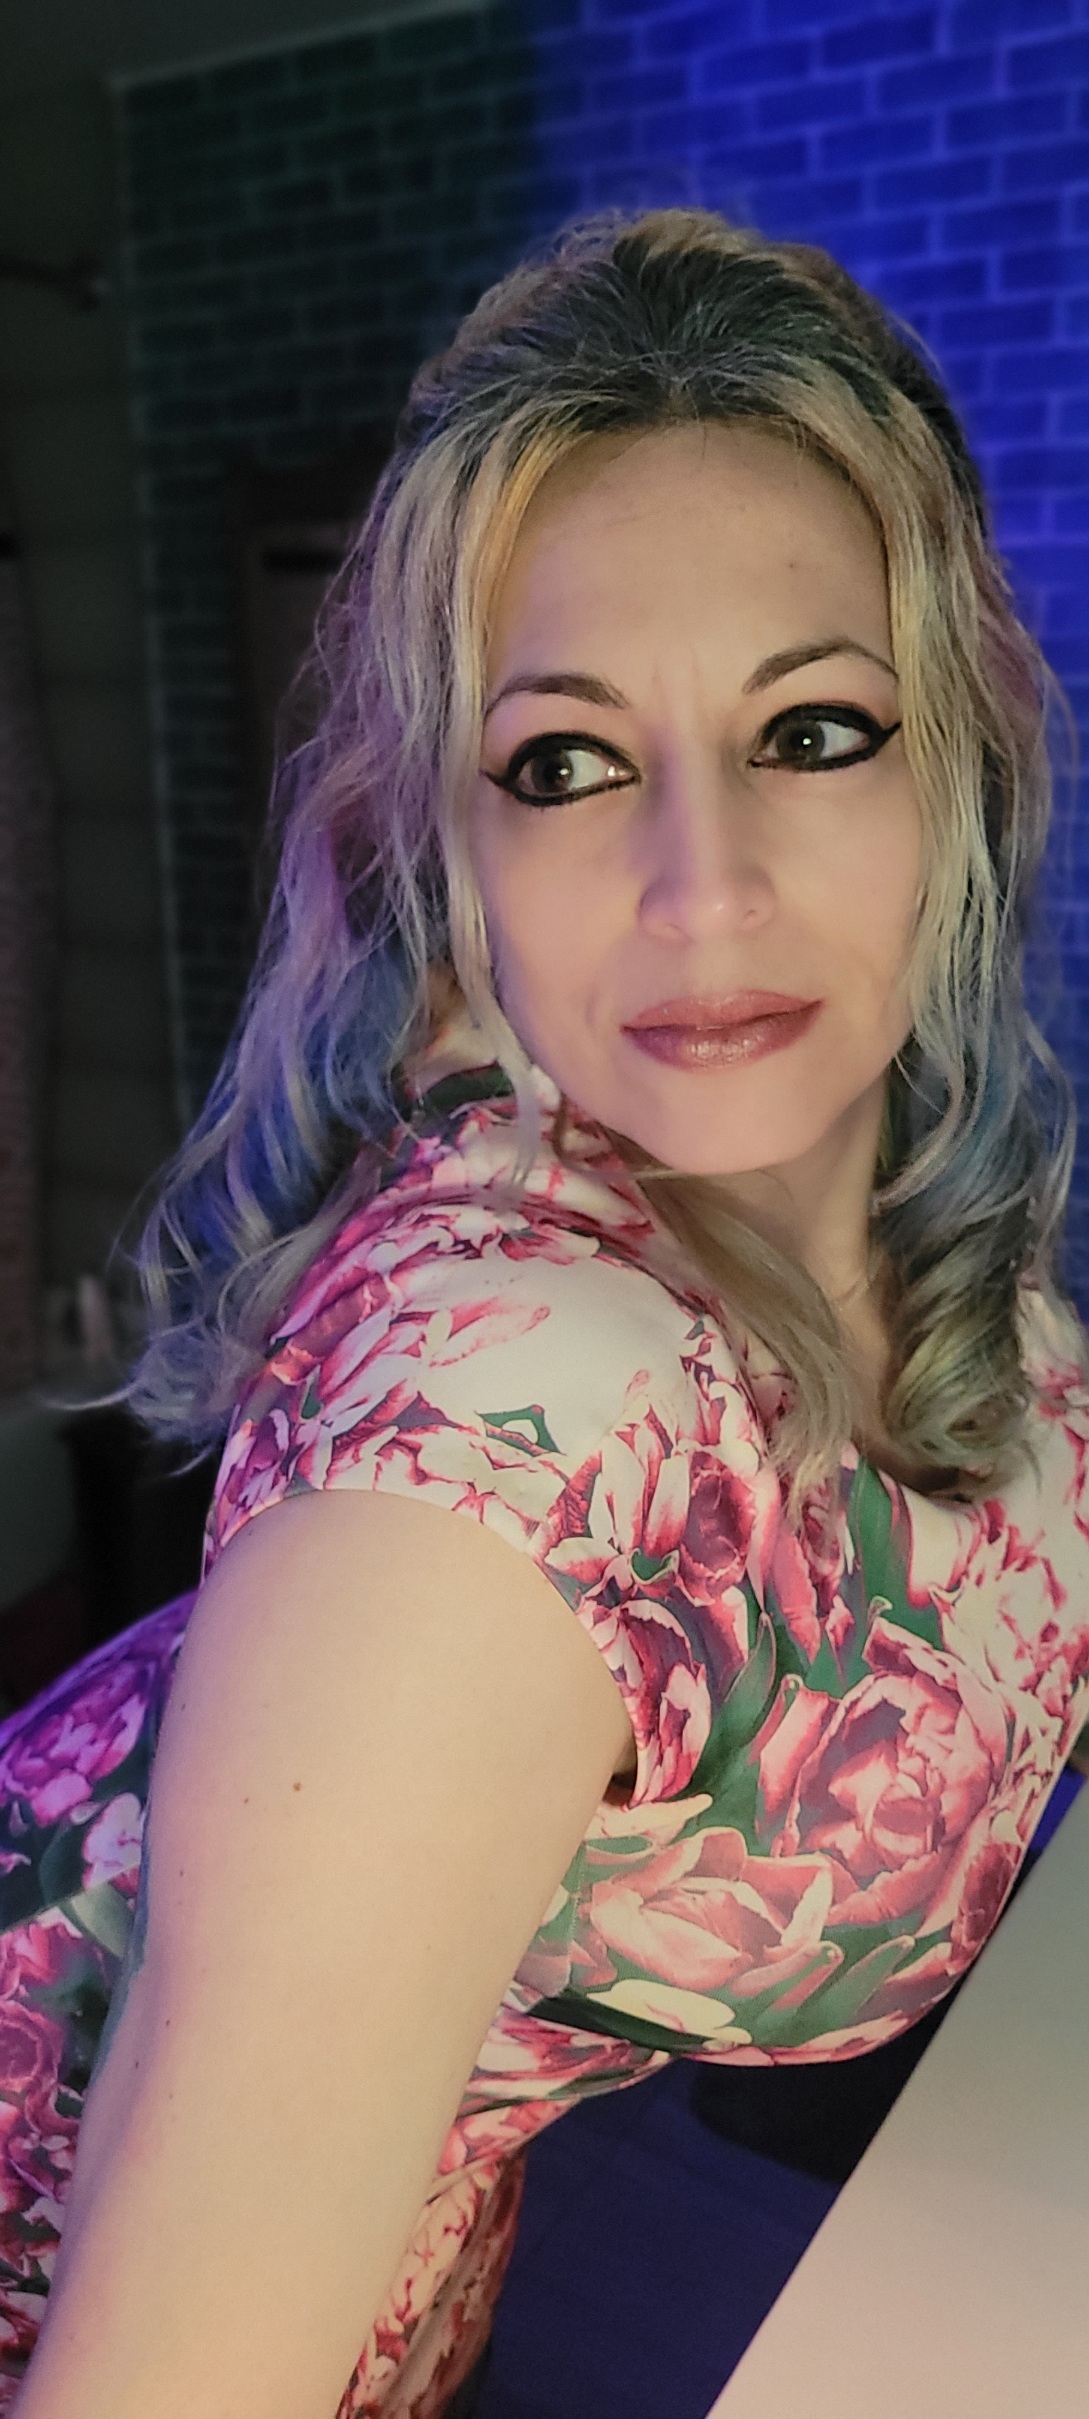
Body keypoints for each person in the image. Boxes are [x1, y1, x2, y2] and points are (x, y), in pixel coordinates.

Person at [2, 205, 1089, 2419]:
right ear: (451, 851)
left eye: (811, 727)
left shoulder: (923, 1241)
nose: (705, 890)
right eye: (565, 764)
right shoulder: (497, 1465)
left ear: (959, 764)